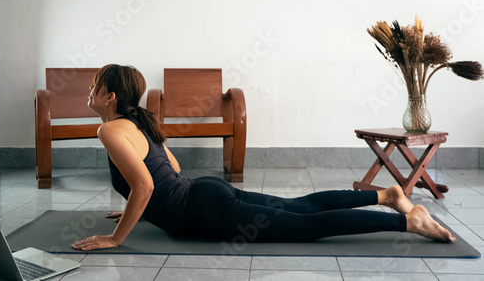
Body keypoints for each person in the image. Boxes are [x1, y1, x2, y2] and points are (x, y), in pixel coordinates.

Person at [71, 64, 455, 251]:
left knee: (306, 228)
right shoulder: (138, 122)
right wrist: (140, 209)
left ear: (110, 97)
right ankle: (386, 196)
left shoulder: (109, 129)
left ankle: (412, 223)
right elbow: (169, 168)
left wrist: (115, 238)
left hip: (205, 211)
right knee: (299, 206)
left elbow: (146, 184)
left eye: (94, 86)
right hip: (206, 192)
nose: (89, 90)